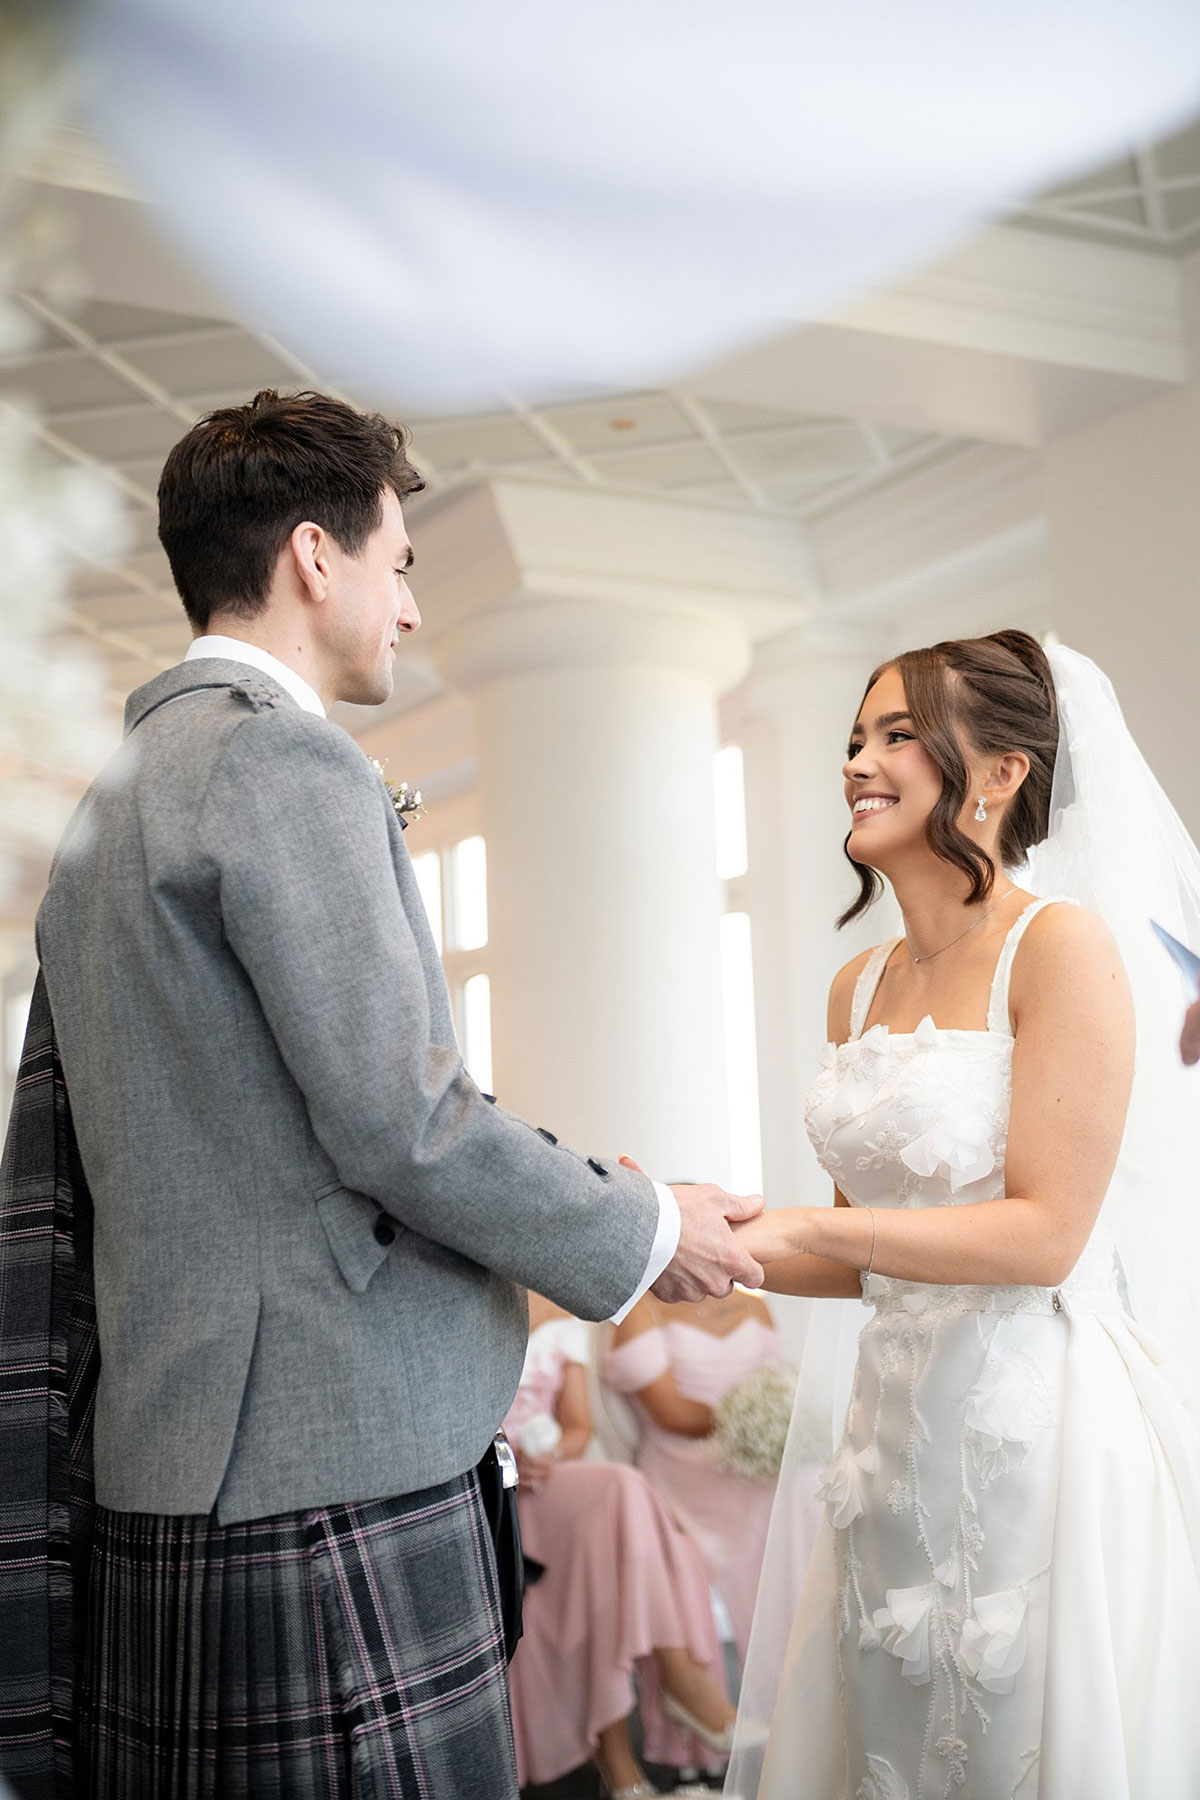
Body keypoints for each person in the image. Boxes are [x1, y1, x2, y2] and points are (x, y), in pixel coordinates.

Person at [0, 389, 766, 1800]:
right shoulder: (282, 760)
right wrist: (651, 1229)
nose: (409, 608)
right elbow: (406, 1123)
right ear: (313, 557)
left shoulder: (113, 803)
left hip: (169, 1466)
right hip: (325, 1472)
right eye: (401, 564)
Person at [724, 631, 1200, 1799]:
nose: (857, 763)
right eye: (854, 740)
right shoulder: (858, 983)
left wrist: (823, 1232)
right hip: (890, 1439)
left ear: (998, 776)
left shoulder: (1061, 949)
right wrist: (691, 1238)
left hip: (1032, 1429)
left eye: (896, 736)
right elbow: (854, 1254)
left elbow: (1044, 1235)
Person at [505, 1294, 737, 1797]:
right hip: (486, 1490)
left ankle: (623, 1759)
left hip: (545, 1482)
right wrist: (503, 1464)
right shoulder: (466, 1297)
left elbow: (578, 1428)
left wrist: (543, 1459)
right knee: (620, 1491)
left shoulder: (564, 1319)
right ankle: (677, 1679)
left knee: (617, 1505)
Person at [604, 1288, 798, 1668]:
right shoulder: (640, 1311)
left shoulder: (753, 1302)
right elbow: (670, 1414)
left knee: (809, 1485)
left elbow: (778, 1382)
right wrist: (748, 1422)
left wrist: (778, 1420)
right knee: (784, 1497)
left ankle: (804, 1649)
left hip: (759, 1458)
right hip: (686, 1464)